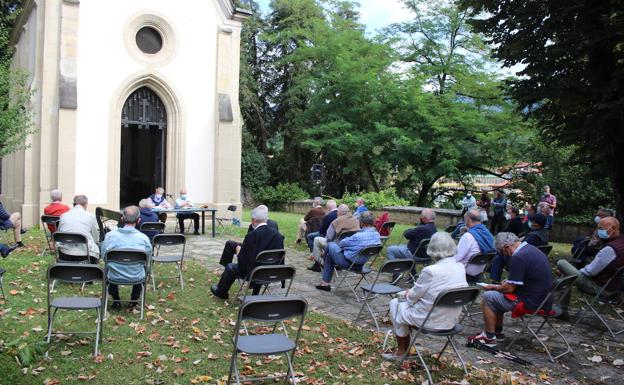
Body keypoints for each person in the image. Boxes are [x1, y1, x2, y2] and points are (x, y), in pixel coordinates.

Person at [383, 232, 468, 359]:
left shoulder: (431, 271)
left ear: (432, 248)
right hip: (450, 320)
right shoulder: (460, 267)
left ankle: (402, 351)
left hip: (430, 319)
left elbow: (412, 297)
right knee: (404, 304)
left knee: (395, 303)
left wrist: (408, 293)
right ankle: (406, 345)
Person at [468, 232, 553, 346]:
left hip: (531, 302)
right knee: (496, 297)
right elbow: (521, 280)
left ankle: (489, 337)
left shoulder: (519, 257)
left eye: (503, 252)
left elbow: (509, 289)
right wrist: (507, 282)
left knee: (489, 297)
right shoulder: (531, 249)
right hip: (544, 299)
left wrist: (493, 287)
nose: (505, 255)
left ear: (507, 247)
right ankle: (497, 333)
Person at [556, 217, 624, 319]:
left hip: (600, 288)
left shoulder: (610, 249)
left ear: (613, 228)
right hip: (614, 287)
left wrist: (575, 272)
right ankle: (561, 309)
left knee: (562, 263)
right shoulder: (621, 242)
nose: (598, 231)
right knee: (567, 275)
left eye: (601, 228)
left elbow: (590, 272)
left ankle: (561, 309)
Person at [211, 205, 285, 300]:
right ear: (266, 219)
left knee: (230, 267)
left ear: (253, 220)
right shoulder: (278, 236)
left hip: (255, 273)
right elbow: (281, 258)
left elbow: (244, 263)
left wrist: (239, 252)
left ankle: (221, 292)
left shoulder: (252, 235)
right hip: (271, 272)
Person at [101, 206, 152, 310]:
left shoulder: (110, 236)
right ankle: (134, 301)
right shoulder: (144, 239)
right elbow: (147, 259)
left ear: (122, 219)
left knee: (107, 267)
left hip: (113, 276)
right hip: (136, 276)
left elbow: (104, 256)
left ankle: (116, 300)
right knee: (145, 268)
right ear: (139, 220)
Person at [315, 212, 381, 291]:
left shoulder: (358, 236)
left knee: (330, 245)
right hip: (361, 264)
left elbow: (341, 244)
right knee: (329, 256)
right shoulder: (377, 235)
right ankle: (325, 283)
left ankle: (322, 264)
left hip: (348, 263)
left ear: (362, 223)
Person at [490, 213, 549, 283]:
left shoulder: (533, 236)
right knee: (500, 255)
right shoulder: (544, 233)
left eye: (532, 221)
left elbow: (521, 247)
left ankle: (494, 280)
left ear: (536, 223)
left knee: (499, 257)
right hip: (533, 261)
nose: (529, 222)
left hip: (522, 259)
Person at [308, 204, 359, 272]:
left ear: (340, 212)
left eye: (338, 211)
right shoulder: (355, 220)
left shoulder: (336, 221)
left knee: (316, 239)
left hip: (337, 246)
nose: (337, 213)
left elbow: (329, 238)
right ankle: (325, 259)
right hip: (350, 246)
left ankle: (321, 262)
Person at [454, 209, 495, 280]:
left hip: (464, 271)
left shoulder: (468, 236)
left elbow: (457, 257)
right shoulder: (489, 235)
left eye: (464, 219)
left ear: (468, 220)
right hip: (479, 271)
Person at [57, 195, 100, 262]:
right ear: (86, 205)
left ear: (73, 204)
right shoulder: (91, 216)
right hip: (86, 255)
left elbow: (59, 234)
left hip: (65, 253)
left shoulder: (63, 216)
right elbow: (95, 238)